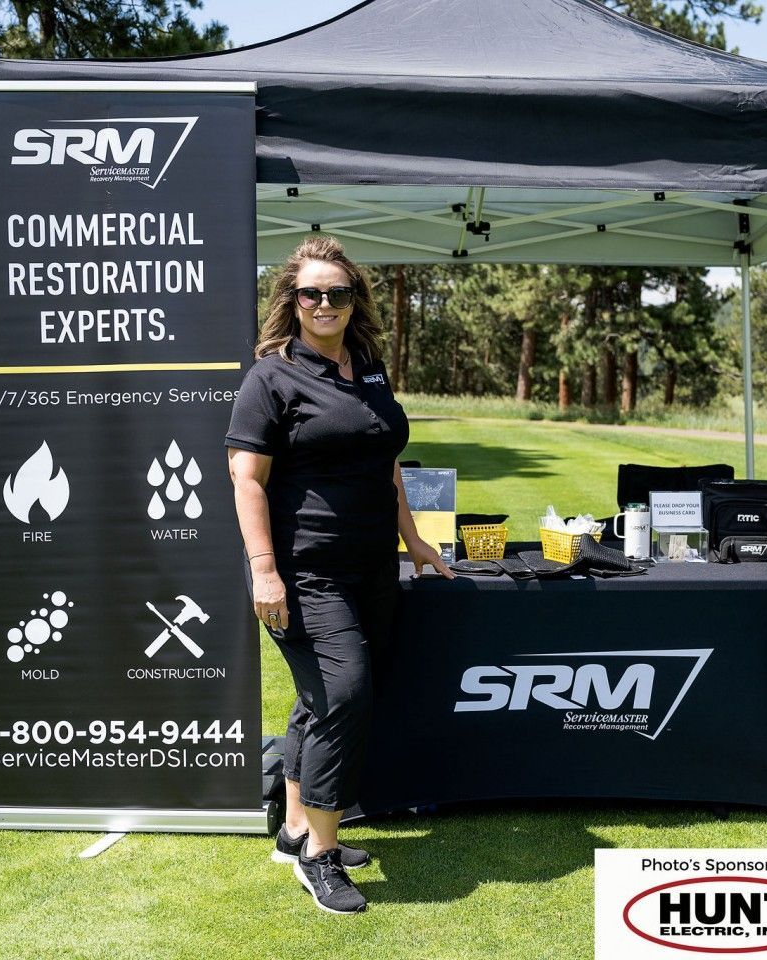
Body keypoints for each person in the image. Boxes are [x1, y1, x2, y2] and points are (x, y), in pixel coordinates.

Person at [226, 235, 452, 914]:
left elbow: (384, 461)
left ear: (356, 301)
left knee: (322, 697)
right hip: (303, 571)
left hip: (371, 565)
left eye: (338, 292)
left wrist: (412, 538)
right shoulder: (270, 377)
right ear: (292, 303)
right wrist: (265, 571)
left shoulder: (369, 366)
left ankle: (296, 828)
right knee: (344, 693)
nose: (325, 303)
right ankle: (321, 855)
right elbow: (246, 480)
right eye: (311, 293)